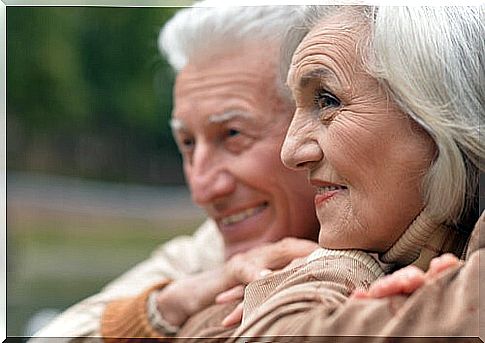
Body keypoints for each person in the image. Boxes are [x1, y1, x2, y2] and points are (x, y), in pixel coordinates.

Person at [162, 5, 483, 340]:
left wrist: (331, 268)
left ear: (441, 105)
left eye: (328, 100)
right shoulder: (210, 249)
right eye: (186, 142)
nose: (291, 152)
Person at [31, 5, 321, 342]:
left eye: (232, 135)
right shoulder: (207, 251)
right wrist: (171, 304)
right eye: (186, 143)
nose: (202, 189)